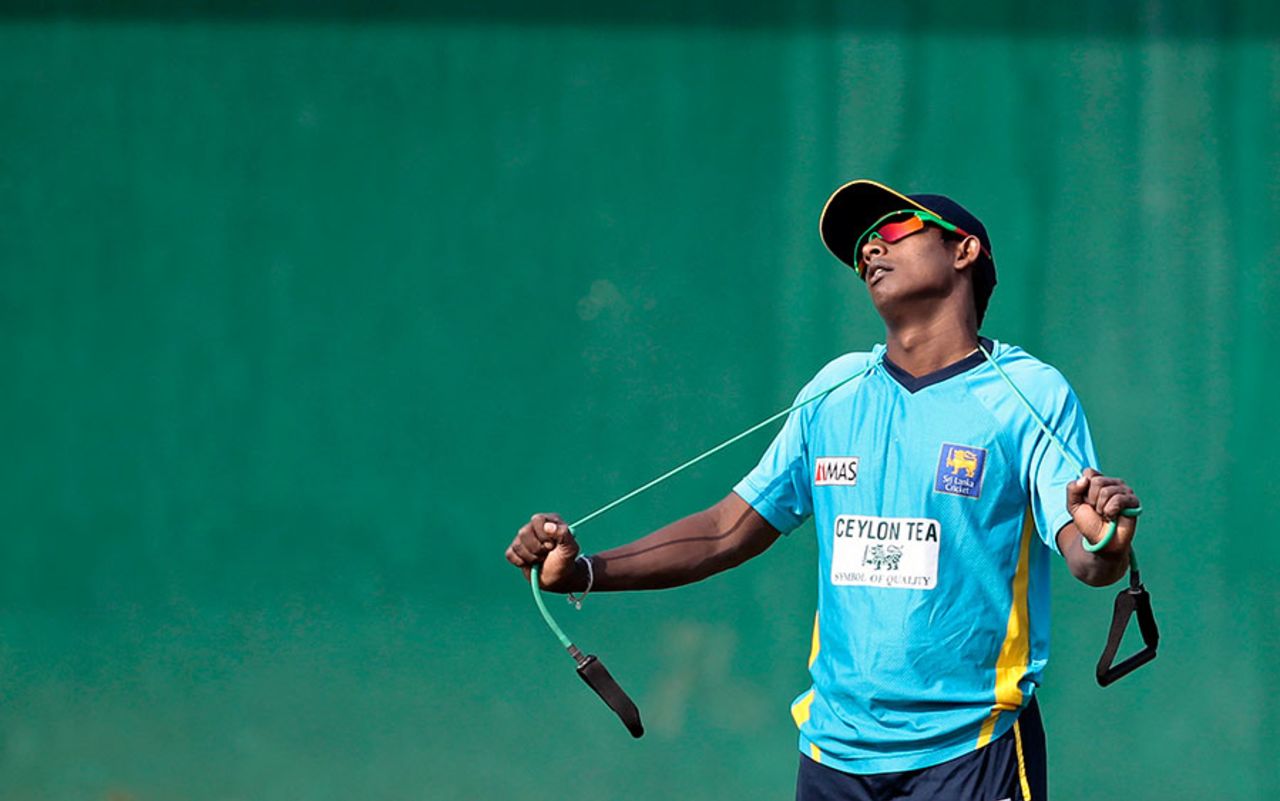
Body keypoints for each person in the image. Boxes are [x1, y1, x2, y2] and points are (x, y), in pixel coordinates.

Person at [505, 179, 1141, 801]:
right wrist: (584, 571)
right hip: (832, 755)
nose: (869, 250)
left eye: (892, 230)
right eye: (862, 244)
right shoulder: (834, 392)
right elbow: (728, 530)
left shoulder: (1028, 394)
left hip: (970, 750)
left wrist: (1108, 541)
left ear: (964, 250)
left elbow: (1090, 559)